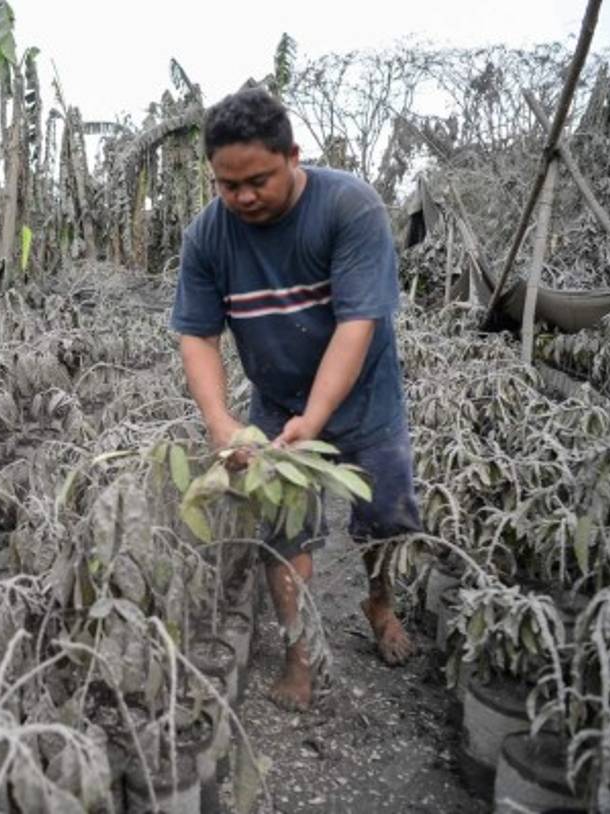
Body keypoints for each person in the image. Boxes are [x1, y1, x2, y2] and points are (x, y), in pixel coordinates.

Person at [170, 87, 421, 710]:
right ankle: (298, 653)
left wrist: (319, 417)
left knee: (385, 518)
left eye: (258, 180)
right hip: (276, 400)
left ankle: (380, 601)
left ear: (293, 157)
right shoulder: (207, 237)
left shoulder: (349, 208)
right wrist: (221, 422)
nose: (243, 197)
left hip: (365, 398)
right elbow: (198, 334)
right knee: (284, 530)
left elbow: (356, 325)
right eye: (227, 185)